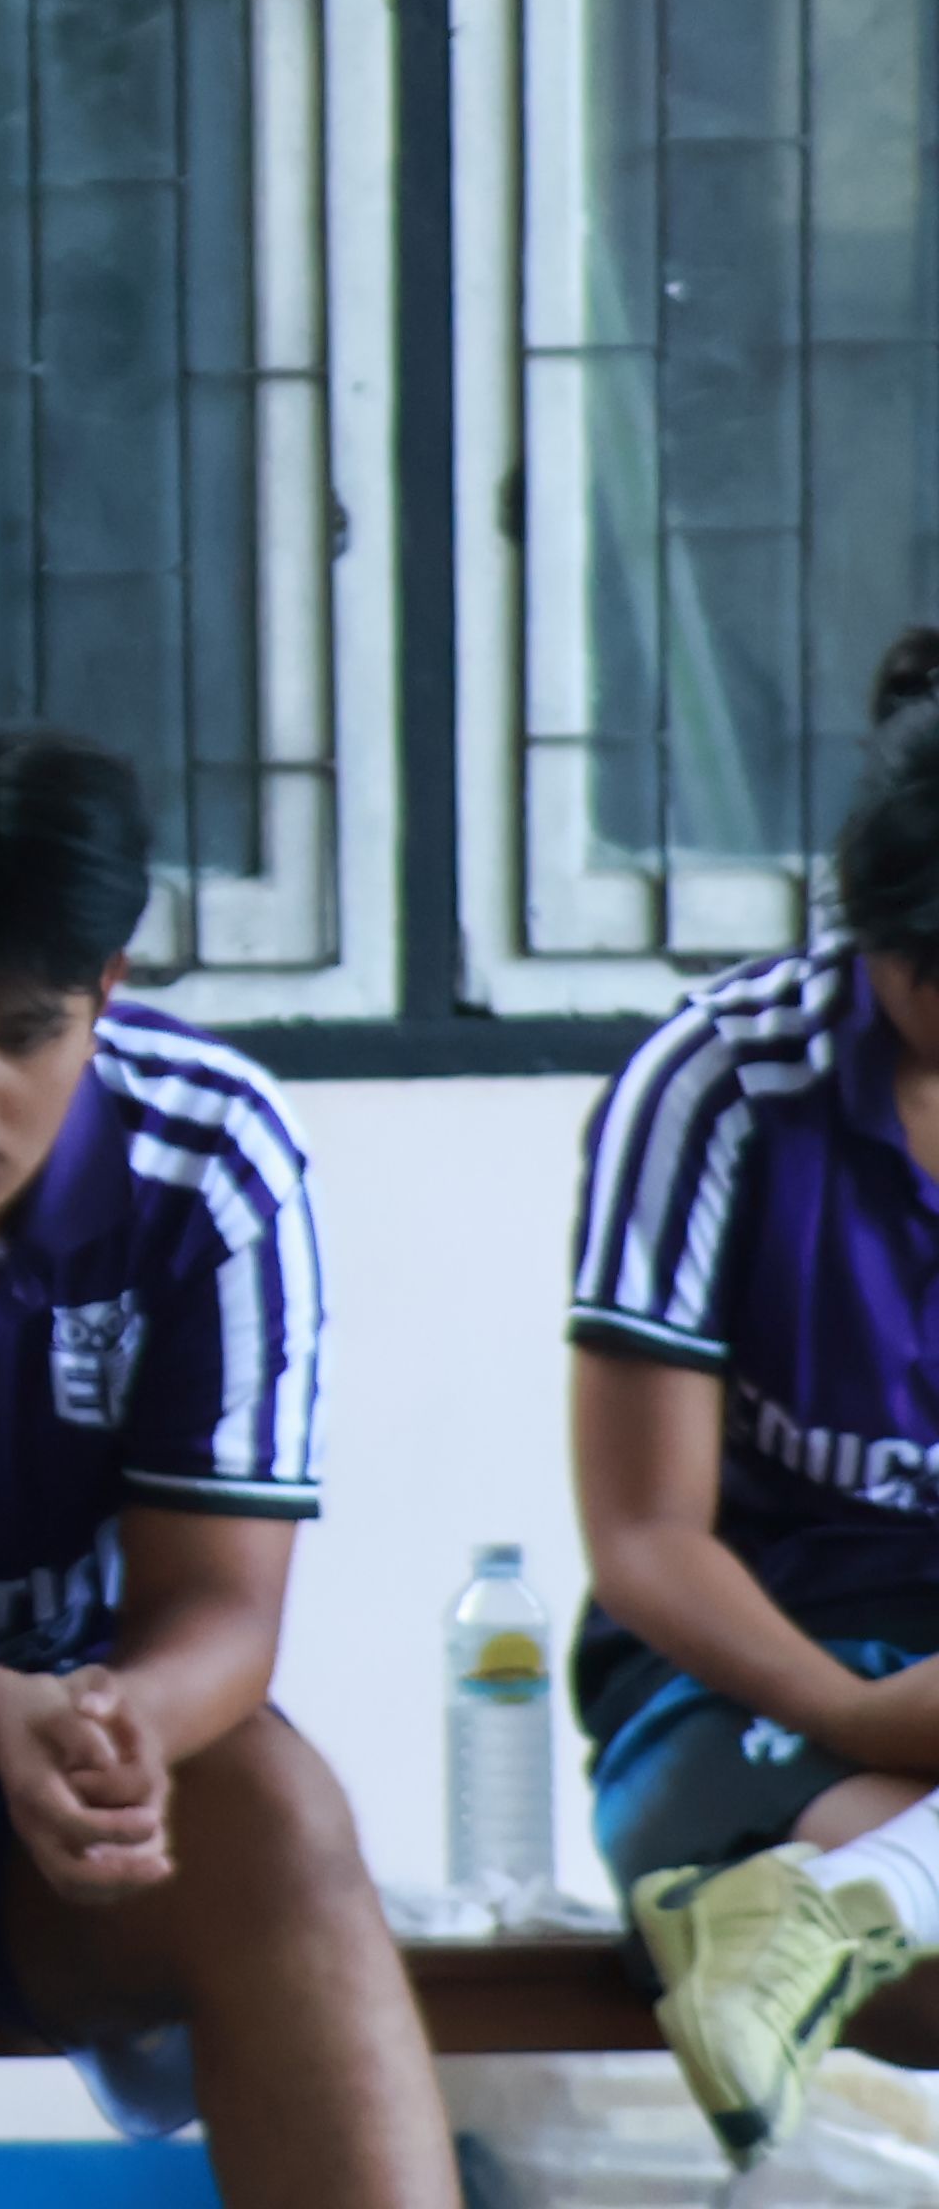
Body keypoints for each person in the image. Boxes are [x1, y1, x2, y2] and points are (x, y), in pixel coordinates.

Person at [0, 718, 438, 2202]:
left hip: (56, 1803)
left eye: (22, 1034)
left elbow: (224, 1613)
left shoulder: (208, 1158)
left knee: (275, 1814)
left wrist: (125, 1727)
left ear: (107, 995)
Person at [571, 626, 939, 2159]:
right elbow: (646, 1537)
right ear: (876, 928)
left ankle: (851, 1903)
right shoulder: (718, 1085)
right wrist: (852, 1707)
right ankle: (829, 1903)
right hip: (743, 1689)